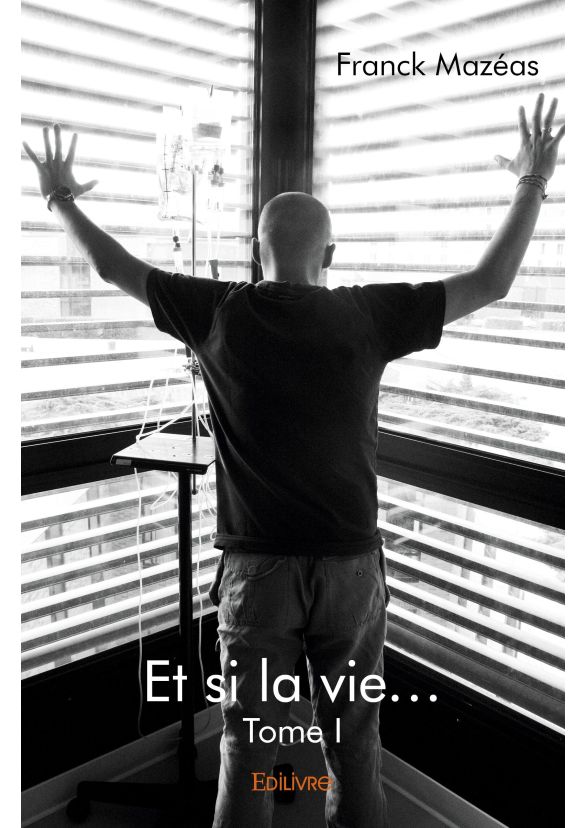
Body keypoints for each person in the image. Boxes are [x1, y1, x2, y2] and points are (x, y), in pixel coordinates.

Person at [24, 93, 564, 828]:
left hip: (258, 574)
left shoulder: (216, 311)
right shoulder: (370, 313)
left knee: (248, 750)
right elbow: (491, 281)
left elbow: (112, 266)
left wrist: (58, 196)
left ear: (257, 251)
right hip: (350, 569)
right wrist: (532, 181)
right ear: (330, 256)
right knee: (354, 748)